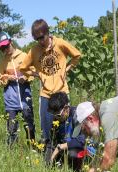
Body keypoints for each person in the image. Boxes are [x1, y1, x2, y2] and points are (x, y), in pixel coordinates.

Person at [19, 19, 81, 147]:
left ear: (48, 33)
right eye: (37, 39)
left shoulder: (60, 43)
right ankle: (49, 153)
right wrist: (36, 74)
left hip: (62, 91)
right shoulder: (34, 51)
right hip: (46, 94)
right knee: (47, 128)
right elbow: (23, 68)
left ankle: (64, 153)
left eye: (42, 37)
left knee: (64, 126)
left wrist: (67, 69)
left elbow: (77, 55)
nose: (40, 41)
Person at [0, 31, 36, 147]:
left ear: (11, 42)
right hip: (10, 101)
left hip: (25, 99)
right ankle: (11, 151)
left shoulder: (24, 56)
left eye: (6, 46)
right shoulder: (2, 62)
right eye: (2, 48)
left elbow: (33, 71)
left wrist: (25, 77)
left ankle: (32, 148)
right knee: (11, 129)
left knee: (29, 126)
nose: (5, 49)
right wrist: (7, 78)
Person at [47, 92, 94, 172]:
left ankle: (79, 171)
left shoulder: (78, 115)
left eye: (58, 115)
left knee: (72, 154)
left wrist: (61, 147)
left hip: (86, 149)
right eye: (53, 115)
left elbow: (83, 139)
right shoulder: (57, 120)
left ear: (66, 108)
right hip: (67, 149)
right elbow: (53, 140)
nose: (56, 118)